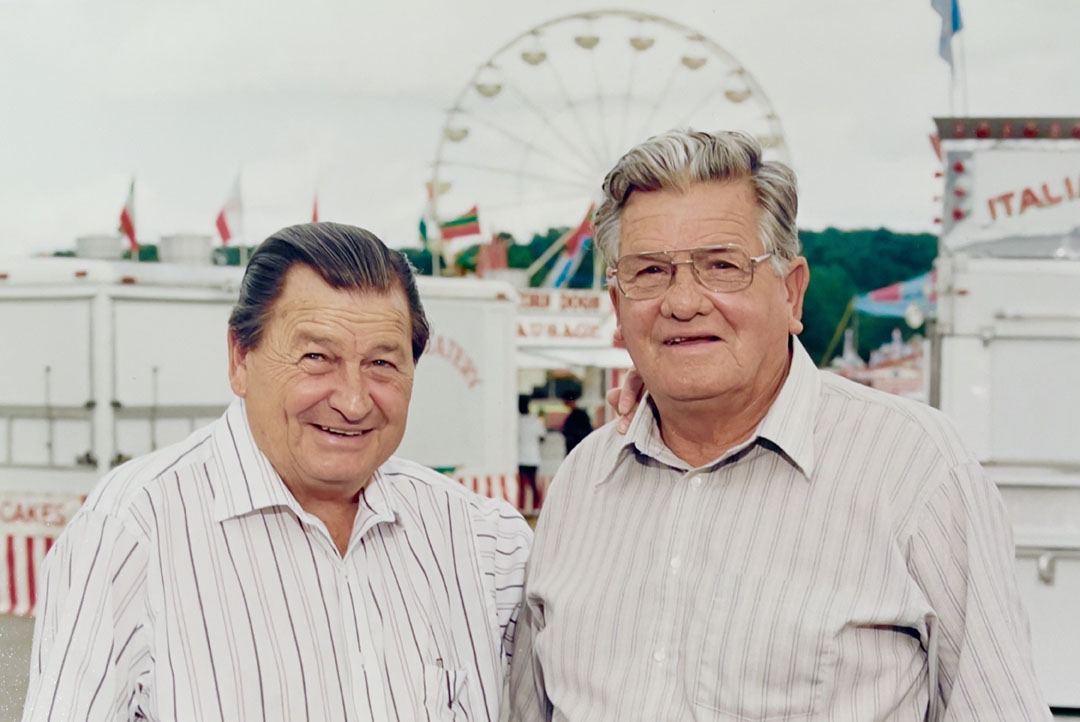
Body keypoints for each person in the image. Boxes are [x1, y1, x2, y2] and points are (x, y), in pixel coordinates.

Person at [509, 130, 1051, 721]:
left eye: (722, 266)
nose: (683, 301)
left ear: (792, 293)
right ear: (617, 307)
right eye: (650, 272)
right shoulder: (580, 486)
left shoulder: (914, 471)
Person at [22, 223, 532, 722]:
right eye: (316, 357)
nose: (354, 402)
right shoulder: (132, 533)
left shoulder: (484, 543)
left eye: (381, 364)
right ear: (240, 359)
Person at [517, 394, 545, 512]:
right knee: (533, 484)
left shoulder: (516, 421)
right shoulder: (535, 420)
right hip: (533, 456)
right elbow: (542, 437)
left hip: (520, 457)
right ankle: (536, 507)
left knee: (522, 486)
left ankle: (521, 507)